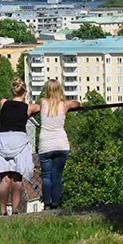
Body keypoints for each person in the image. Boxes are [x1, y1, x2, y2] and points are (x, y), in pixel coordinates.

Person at [0, 78, 40, 215]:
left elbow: (3, 106)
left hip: (2, 140)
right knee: (17, 177)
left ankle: (2, 211)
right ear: (24, 93)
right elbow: (40, 106)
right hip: (18, 140)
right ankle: (15, 209)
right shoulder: (29, 108)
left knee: (5, 177)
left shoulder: (3, 103)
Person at [37, 79, 80, 209]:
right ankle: (56, 203)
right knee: (57, 176)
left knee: (46, 176)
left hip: (45, 145)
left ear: (47, 90)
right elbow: (77, 104)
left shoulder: (43, 102)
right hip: (61, 144)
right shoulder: (65, 105)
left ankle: (47, 204)